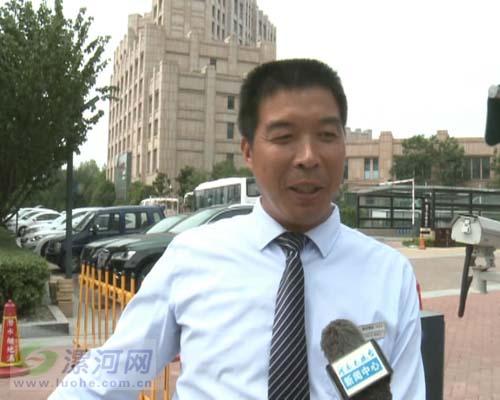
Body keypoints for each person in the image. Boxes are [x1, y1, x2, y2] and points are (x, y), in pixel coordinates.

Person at [49, 59, 425, 399]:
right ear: (247, 151)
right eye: (284, 137)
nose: (309, 157)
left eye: (327, 136)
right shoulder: (191, 258)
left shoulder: (389, 275)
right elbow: (106, 378)